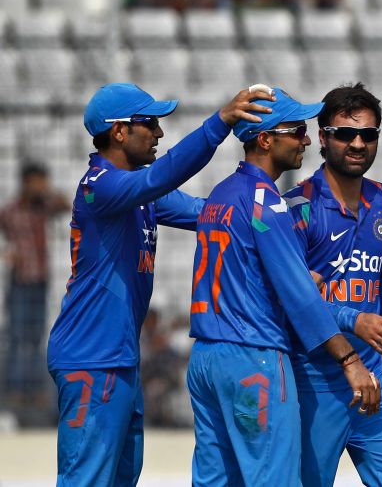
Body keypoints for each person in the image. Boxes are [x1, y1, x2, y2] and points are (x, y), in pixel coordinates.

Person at [46, 81, 275, 486]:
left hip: (117, 360)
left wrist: (280, 218)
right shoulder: (101, 186)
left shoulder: (136, 190)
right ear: (118, 131)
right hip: (90, 359)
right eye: (149, 123)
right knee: (86, 478)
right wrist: (219, 123)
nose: (159, 133)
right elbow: (163, 177)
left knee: (120, 478)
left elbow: (213, 214)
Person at [186, 88, 381, 487]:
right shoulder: (266, 200)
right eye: (296, 131)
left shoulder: (223, 194)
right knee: (274, 479)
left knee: (215, 480)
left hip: (206, 359)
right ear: (265, 139)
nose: (306, 140)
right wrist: (350, 361)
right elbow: (300, 297)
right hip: (253, 358)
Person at [282, 83, 382, 486]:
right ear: (323, 139)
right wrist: (353, 319)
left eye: (368, 134)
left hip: (375, 375)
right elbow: (294, 302)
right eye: (346, 134)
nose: (358, 143)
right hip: (315, 379)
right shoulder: (297, 208)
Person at [0, 162, 69, 411]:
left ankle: (35, 388)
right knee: (18, 334)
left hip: (40, 280)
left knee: (37, 335)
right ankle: (16, 389)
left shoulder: (43, 208)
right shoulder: (10, 212)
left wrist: (46, 192)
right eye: (38, 181)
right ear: (26, 182)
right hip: (19, 280)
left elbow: (65, 204)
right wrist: (6, 253)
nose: (42, 186)